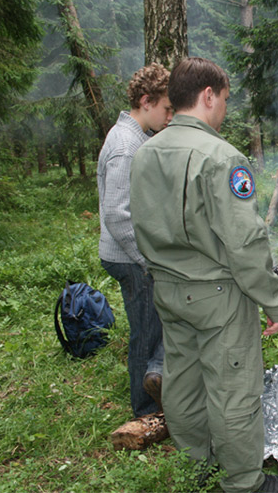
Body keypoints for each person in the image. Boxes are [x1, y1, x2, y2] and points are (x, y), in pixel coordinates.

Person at [129, 57, 278, 493]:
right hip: (218, 294)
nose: (224, 109)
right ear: (208, 96)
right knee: (233, 388)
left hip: (166, 288)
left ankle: (194, 464)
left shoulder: (146, 151)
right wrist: (271, 297)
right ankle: (244, 482)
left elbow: (139, 223)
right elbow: (244, 241)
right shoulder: (222, 156)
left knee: (183, 380)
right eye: (223, 100)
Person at [97, 63, 173, 417]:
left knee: (155, 323)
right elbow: (117, 214)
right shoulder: (126, 146)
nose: (170, 116)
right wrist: (148, 260)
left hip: (135, 254)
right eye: (166, 108)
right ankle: (145, 410)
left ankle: (157, 380)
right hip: (129, 257)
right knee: (145, 329)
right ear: (146, 101)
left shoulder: (135, 138)